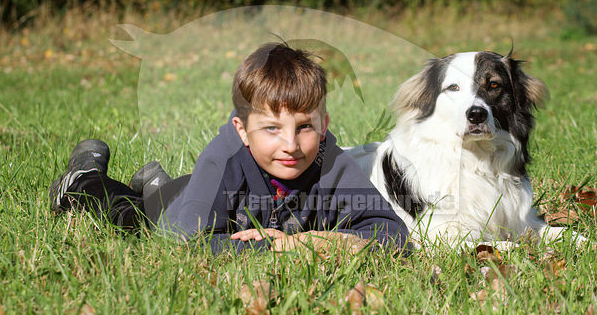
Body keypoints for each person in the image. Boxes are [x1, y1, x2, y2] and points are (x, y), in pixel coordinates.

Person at [49, 42, 410, 254]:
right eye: (271, 128)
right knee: (133, 215)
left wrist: (315, 242)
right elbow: (184, 242)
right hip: (181, 210)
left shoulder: (329, 160)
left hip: (203, 197)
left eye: (305, 127)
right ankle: (84, 180)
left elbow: (394, 233)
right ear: (242, 130)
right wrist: (269, 248)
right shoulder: (225, 158)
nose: (291, 145)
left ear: (324, 124)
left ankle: (154, 182)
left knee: (174, 193)